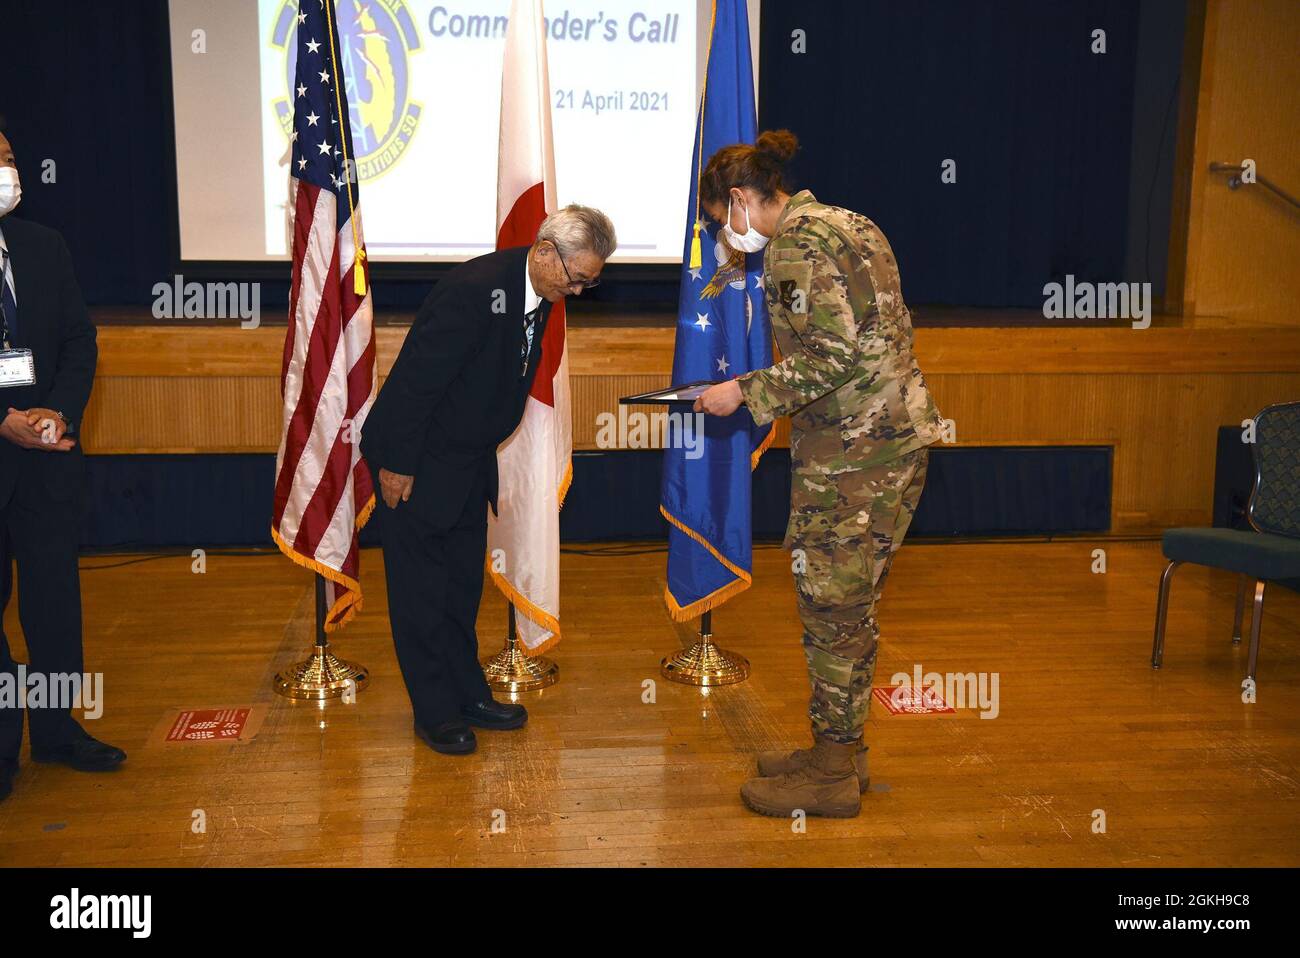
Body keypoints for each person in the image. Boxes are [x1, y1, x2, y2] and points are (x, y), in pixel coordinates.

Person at [694, 130, 944, 818]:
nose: (727, 234)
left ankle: (832, 773)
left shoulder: (795, 245)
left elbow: (828, 357)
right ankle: (844, 753)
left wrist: (742, 392)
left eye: (722, 220)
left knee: (832, 612)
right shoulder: (851, 221)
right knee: (852, 608)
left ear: (742, 199)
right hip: (888, 444)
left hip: (854, 458)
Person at [361, 205, 616, 756]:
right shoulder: (473, 291)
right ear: (547, 253)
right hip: (417, 461)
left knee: (460, 589)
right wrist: (398, 467)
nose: (577, 291)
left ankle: (467, 694)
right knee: (421, 595)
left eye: (589, 283)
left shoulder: (541, 293)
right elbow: (416, 384)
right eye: (577, 279)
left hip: (466, 460)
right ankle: (433, 712)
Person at [0, 129, 126, 804]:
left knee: (53, 608)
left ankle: (56, 732)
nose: (9, 171)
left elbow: (80, 339)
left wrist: (57, 412)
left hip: (47, 460)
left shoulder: (42, 246)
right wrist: (3, 421)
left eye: (12, 160)